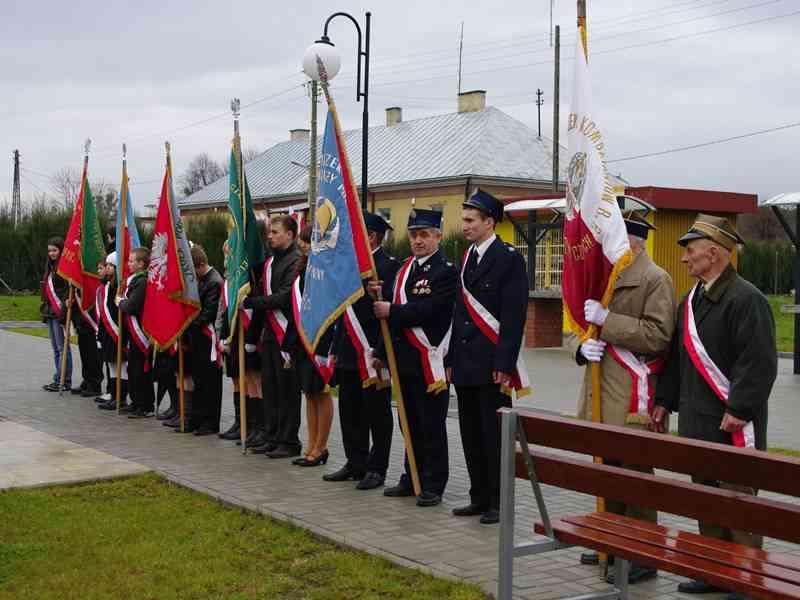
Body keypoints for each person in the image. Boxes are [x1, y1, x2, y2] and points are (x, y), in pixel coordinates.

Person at [652, 214, 777, 599]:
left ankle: (747, 577)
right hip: (697, 419)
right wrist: (663, 401)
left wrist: (739, 408)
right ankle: (714, 570)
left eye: (691, 251)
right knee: (706, 500)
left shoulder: (747, 299)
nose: (685, 259)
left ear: (715, 253)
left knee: (737, 502)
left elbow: (758, 362)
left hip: (732, 423)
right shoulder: (690, 300)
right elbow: (677, 358)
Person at [573, 211, 676, 583]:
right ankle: (611, 543)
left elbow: (658, 335)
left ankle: (644, 555)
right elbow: (577, 318)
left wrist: (608, 321)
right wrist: (582, 348)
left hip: (634, 396)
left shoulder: (655, 278)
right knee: (606, 473)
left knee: (635, 478)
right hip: (601, 390)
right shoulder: (602, 274)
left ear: (636, 241)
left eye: (619, 240)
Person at [447, 190, 529, 525]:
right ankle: (478, 496)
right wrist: (450, 358)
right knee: (469, 433)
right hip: (465, 360)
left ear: (489, 222)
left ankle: (498, 501)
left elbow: (514, 316)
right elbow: (458, 312)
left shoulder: (509, 258)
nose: (464, 225)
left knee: (492, 435)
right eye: (464, 220)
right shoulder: (467, 257)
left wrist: (504, 364)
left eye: (470, 220)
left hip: (491, 363)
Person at [371, 208, 457, 507]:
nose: (418, 241)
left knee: (430, 424)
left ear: (438, 236)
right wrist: (381, 353)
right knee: (408, 422)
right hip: (403, 360)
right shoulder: (403, 269)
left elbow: (432, 310)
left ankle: (433, 483)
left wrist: (392, 311)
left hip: (429, 361)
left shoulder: (445, 270)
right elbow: (390, 316)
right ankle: (412, 477)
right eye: (413, 235)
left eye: (424, 235)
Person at [325, 212, 399, 489]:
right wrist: (334, 347)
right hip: (347, 350)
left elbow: (389, 313)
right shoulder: (349, 266)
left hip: (372, 353)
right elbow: (343, 312)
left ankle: (377, 467)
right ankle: (354, 461)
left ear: (371, 236)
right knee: (350, 410)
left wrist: (381, 352)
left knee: (377, 414)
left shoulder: (389, 267)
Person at [243, 215, 302, 458]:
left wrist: (251, 302)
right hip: (269, 334)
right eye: (269, 232)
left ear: (290, 234)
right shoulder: (269, 263)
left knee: (287, 389)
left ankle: (288, 440)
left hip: (287, 334)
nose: (270, 236)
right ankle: (272, 435)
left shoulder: (296, 261)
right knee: (271, 387)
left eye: (275, 232)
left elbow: (285, 296)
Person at [284, 224, 335, 467]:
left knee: (321, 392)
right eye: (303, 241)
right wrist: (289, 343)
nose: (303, 245)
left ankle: (321, 446)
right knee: (309, 393)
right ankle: (310, 444)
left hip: (321, 340)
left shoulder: (325, 269)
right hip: (303, 340)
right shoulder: (301, 269)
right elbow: (296, 307)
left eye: (308, 240)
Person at [217, 240, 265, 442]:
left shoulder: (247, 279)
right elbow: (224, 312)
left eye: (231, 254)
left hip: (248, 335)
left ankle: (257, 426)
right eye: (226, 254)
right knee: (238, 379)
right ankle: (240, 421)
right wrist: (222, 337)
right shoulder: (229, 281)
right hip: (233, 336)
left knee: (253, 380)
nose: (228, 259)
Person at [185, 245, 224, 436]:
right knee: (199, 380)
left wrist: (187, 324)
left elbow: (208, 313)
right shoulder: (202, 280)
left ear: (200, 265)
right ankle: (197, 418)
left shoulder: (214, 282)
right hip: (197, 339)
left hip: (208, 339)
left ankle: (210, 422)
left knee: (210, 383)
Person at [117, 247, 155, 418]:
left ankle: (145, 405)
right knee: (133, 368)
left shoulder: (142, 281)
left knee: (141, 370)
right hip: (132, 333)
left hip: (140, 332)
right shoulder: (133, 280)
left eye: (132, 261)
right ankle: (135, 402)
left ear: (141, 264)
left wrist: (120, 303)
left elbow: (133, 306)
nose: (129, 263)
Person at [96, 252, 130, 411]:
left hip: (118, 332)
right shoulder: (107, 286)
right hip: (108, 332)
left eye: (111, 266)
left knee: (120, 366)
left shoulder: (119, 287)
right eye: (107, 265)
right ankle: (114, 394)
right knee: (111, 365)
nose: (107, 268)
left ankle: (121, 398)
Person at [40, 237, 72, 392]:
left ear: (61, 250)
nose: (51, 253)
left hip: (60, 311)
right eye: (49, 250)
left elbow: (67, 290)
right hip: (50, 312)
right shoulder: (49, 266)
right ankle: (58, 377)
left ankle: (64, 381)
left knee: (62, 347)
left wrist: (65, 308)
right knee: (56, 348)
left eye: (54, 250)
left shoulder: (64, 267)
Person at [68, 285, 104, 399]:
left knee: (92, 354)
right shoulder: (77, 285)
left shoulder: (91, 282)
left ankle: (95, 384)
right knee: (84, 354)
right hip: (81, 323)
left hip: (91, 324)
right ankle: (87, 379)